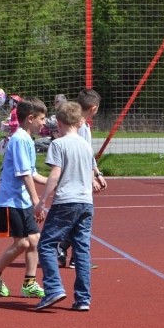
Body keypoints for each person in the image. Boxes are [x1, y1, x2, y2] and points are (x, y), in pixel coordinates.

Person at [34, 101, 100, 311]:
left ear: (59, 123)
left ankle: (53, 288)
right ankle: (83, 298)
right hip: (86, 201)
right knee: (82, 249)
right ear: (79, 122)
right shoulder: (85, 145)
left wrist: (42, 201)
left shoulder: (58, 144)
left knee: (46, 244)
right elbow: (90, 173)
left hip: (66, 200)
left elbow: (55, 174)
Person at [0, 96, 49, 298]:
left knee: (35, 240)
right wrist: (37, 201)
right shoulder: (20, 139)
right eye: (42, 119)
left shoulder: (27, 139)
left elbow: (33, 172)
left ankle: (29, 283)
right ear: (30, 118)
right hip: (10, 201)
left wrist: (54, 181)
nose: (44, 123)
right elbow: (24, 174)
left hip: (22, 200)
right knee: (22, 243)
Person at [56, 88, 107, 268]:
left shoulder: (81, 126)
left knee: (78, 219)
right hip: (80, 182)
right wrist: (92, 178)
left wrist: (97, 173)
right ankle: (66, 251)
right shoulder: (82, 128)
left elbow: (88, 156)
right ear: (93, 108)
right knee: (79, 220)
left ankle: (66, 251)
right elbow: (85, 156)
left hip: (81, 179)